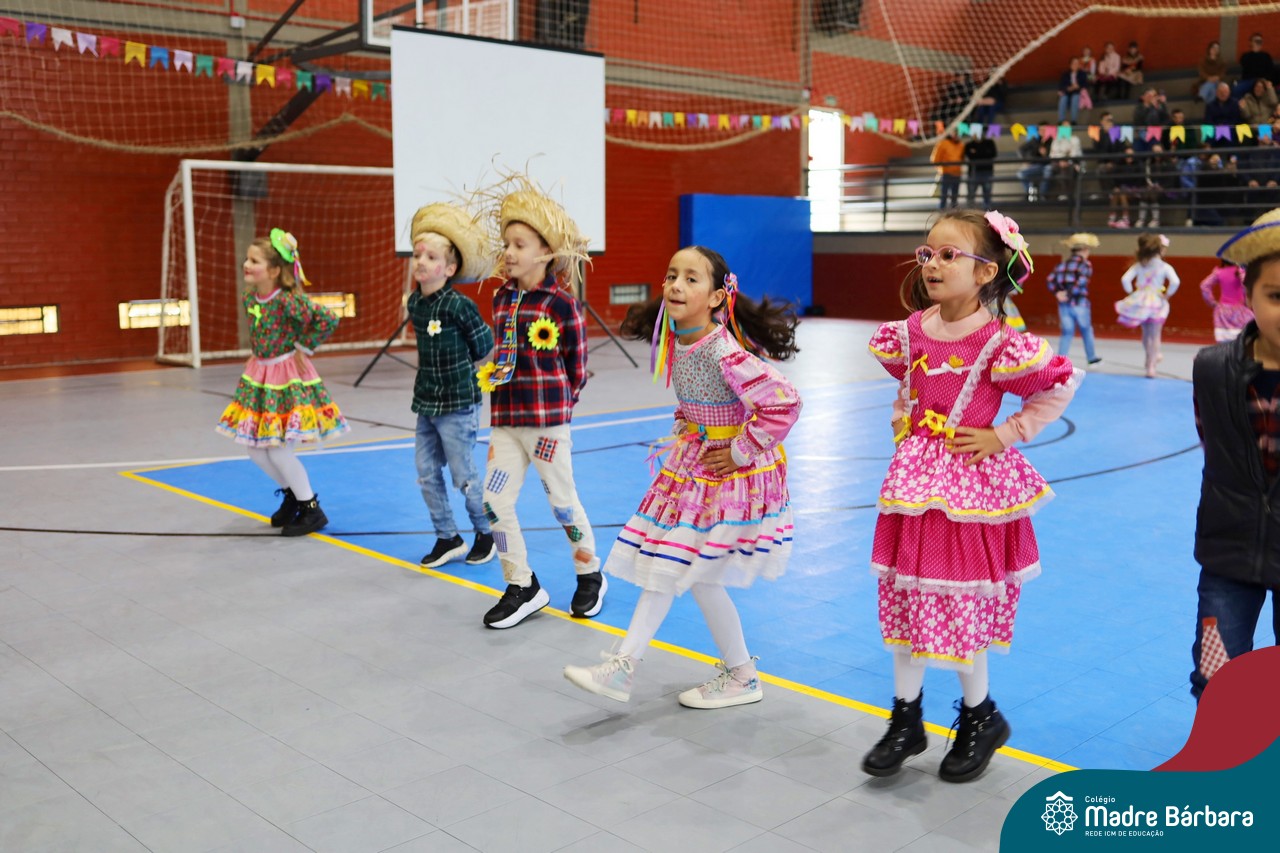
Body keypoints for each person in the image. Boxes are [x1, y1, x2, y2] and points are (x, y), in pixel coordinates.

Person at [862, 210, 1079, 783]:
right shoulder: (909, 331)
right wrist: (904, 417)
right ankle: (906, 719)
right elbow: (908, 388)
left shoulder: (999, 342)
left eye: (949, 255)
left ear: (986, 272)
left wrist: (1005, 434)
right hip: (913, 487)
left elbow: (1060, 383)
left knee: (962, 602)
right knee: (906, 596)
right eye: (927, 253)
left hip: (968, 494)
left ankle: (980, 716)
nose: (931, 264)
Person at [563, 246, 802, 708]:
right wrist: (687, 420)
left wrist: (740, 450)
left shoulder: (724, 353)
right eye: (672, 275)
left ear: (716, 297)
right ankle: (742, 675)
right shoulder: (681, 340)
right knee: (694, 575)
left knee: (672, 564)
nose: (676, 285)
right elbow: (702, 399)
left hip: (728, 478)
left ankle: (624, 667)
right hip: (693, 468)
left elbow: (785, 402)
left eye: (692, 279)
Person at [476, 176, 603, 629]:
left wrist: (559, 403)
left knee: (563, 502)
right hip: (506, 421)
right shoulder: (500, 298)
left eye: (520, 244)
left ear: (545, 251)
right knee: (493, 503)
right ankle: (522, 584)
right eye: (507, 244)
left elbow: (577, 364)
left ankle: (589, 573)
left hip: (547, 423)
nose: (509, 253)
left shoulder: (562, 304)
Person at [1188, 207, 1280, 701]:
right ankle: (1221, 745)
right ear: (1247, 295)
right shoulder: (1211, 368)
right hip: (1227, 552)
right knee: (1215, 676)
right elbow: (1215, 446)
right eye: (1276, 296)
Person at [215, 229, 349, 536]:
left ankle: (311, 509)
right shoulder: (250, 297)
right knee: (254, 449)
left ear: (274, 271)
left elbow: (327, 319)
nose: (246, 264)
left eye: (254, 261)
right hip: (260, 377)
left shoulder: (288, 301)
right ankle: (293, 497)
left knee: (276, 449)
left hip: (286, 379)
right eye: (247, 259)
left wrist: (303, 346)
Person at [407, 202, 498, 569]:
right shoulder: (415, 304)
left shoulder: (459, 306)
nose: (420, 262)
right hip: (426, 403)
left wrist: (462, 377)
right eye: (417, 255)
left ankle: (486, 533)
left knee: (464, 476)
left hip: (458, 404)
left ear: (449, 269)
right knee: (426, 473)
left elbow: (484, 346)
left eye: (431, 257)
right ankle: (448, 536)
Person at [1115, 232, 1181, 378]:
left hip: (1141, 301)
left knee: (1146, 334)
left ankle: (1149, 357)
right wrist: (1167, 294)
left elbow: (1125, 279)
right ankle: (1152, 365)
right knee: (1155, 335)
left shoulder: (1139, 266)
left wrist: (1131, 292)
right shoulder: (1165, 267)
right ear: (1160, 250)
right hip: (1157, 301)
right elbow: (1175, 282)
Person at [1047, 233, 1102, 364]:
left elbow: (1050, 280)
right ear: (1084, 250)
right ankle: (1091, 358)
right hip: (1079, 303)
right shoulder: (1085, 264)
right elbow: (1081, 282)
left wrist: (1058, 293)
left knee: (1066, 332)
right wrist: (1069, 294)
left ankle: (1060, 360)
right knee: (1086, 330)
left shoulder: (1062, 265)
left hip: (1064, 305)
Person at [1199, 258, 1253, 341]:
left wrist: (1211, 302)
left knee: (1223, 340)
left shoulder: (1219, 272)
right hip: (1239, 311)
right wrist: (1247, 301)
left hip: (1222, 312)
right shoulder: (1240, 272)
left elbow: (1204, 285)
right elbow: (1247, 286)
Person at [1107, 146, 1144, 228]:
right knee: (1117, 191)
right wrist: (1118, 185)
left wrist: (1126, 183)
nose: (1129, 157)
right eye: (1127, 154)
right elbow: (1116, 178)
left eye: (1131, 155)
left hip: (1135, 189)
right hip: (1122, 188)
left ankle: (1126, 219)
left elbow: (1139, 180)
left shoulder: (1138, 164)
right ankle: (1112, 217)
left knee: (1121, 192)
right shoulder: (1120, 164)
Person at [1046, 121, 1084, 200]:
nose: (1066, 129)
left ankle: (1066, 195)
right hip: (1057, 163)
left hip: (1073, 163)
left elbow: (1074, 153)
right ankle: (1045, 196)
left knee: (1067, 169)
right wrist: (1061, 160)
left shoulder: (1074, 139)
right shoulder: (1056, 140)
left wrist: (1066, 161)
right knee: (1049, 169)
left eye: (1068, 127)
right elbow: (1052, 154)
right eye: (1064, 127)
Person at [931, 129, 965, 209]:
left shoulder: (961, 145)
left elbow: (962, 158)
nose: (956, 135)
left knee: (954, 196)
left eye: (958, 133)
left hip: (957, 173)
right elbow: (935, 159)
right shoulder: (943, 143)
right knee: (944, 194)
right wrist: (941, 169)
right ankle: (942, 211)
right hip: (946, 173)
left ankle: (954, 211)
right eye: (955, 133)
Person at [963, 133, 998, 207]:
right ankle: (969, 210)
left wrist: (976, 152)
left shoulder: (989, 142)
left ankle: (987, 210)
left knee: (987, 194)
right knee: (971, 194)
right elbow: (969, 156)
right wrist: (985, 152)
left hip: (987, 172)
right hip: (973, 172)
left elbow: (993, 154)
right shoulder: (969, 145)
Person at [1016, 136, 1051, 202]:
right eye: (1041, 131)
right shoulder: (1034, 141)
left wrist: (1045, 154)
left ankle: (1042, 195)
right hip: (1033, 165)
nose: (1043, 132)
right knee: (1021, 174)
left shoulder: (1051, 142)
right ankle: (1029, 192)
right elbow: (1020, 149)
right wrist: (1025, 160)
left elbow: (1053, 157)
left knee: (1048, 170)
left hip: (1046, 164)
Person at [1058, 57, 1089, 123]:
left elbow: (1085, 85)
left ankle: (1073, 121)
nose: (1075, 65)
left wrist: (1078, 86)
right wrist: (1069, 88)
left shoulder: (1082, 74)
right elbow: (1062, 85)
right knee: (1063, 99)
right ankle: (1061, 121)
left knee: (1075, 98)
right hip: (1067, 92)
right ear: (1070, 65)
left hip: (1077, 92)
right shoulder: (1065, 74)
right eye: (1074, 63)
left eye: (1077, 63)